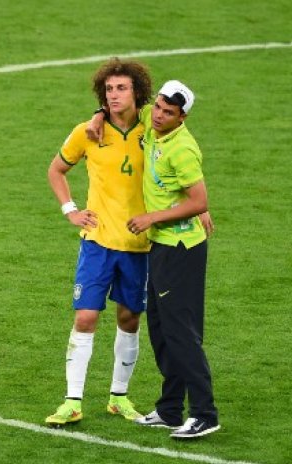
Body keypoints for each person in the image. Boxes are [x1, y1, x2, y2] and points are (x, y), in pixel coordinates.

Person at [89, 80, 220, 438]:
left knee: (181, 333)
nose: (160, 116)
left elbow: (200, 200)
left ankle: (205, 413)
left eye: (169, 112)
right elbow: (123, 110)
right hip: (161, 247)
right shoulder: (150, 117)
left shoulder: (182, 149)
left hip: (181, 250)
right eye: (159, 107)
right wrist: (99, 115)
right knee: (161, 331)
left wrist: (150, 218)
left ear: (183, 117)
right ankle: (171, 409)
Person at [44, 58, 153, 427]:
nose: (114, 95)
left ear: (138, 92)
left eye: (121, 88)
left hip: (139, 244)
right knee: (86, 316)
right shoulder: (87, 132)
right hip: (97, 241)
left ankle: (118, 397)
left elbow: (179, 127)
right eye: (108, 89)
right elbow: (56, 170)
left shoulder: (153, 127)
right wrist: (70, 209)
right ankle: (72, 401)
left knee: (129, 318)